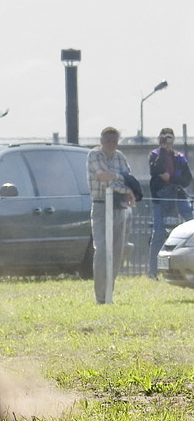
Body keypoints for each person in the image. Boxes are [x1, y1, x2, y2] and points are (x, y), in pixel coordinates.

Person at [87, 127, 135, 304]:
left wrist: (122, 183)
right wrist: (123, 184)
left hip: (119, 207)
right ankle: (100, 297)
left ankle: (109, 294)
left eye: (114, 141)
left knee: (116, 252)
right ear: (101, 140)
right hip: (101, 207)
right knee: (102, 251)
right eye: (108, 141)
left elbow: (128, 177)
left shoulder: (120, 157)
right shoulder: (94, 155)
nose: (111, 144)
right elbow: (103, 177)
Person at [148, 127, 193, 278]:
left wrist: (172, 179)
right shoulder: (154, 155)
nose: (167, 140)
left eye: (169, 137)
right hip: (160, 199)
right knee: (159, 233)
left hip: (178, 196)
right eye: (164, 137)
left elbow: (187, 179)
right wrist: (162, 149)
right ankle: (153, 272)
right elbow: (156, 171)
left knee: (190, 224)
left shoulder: (180, 157)